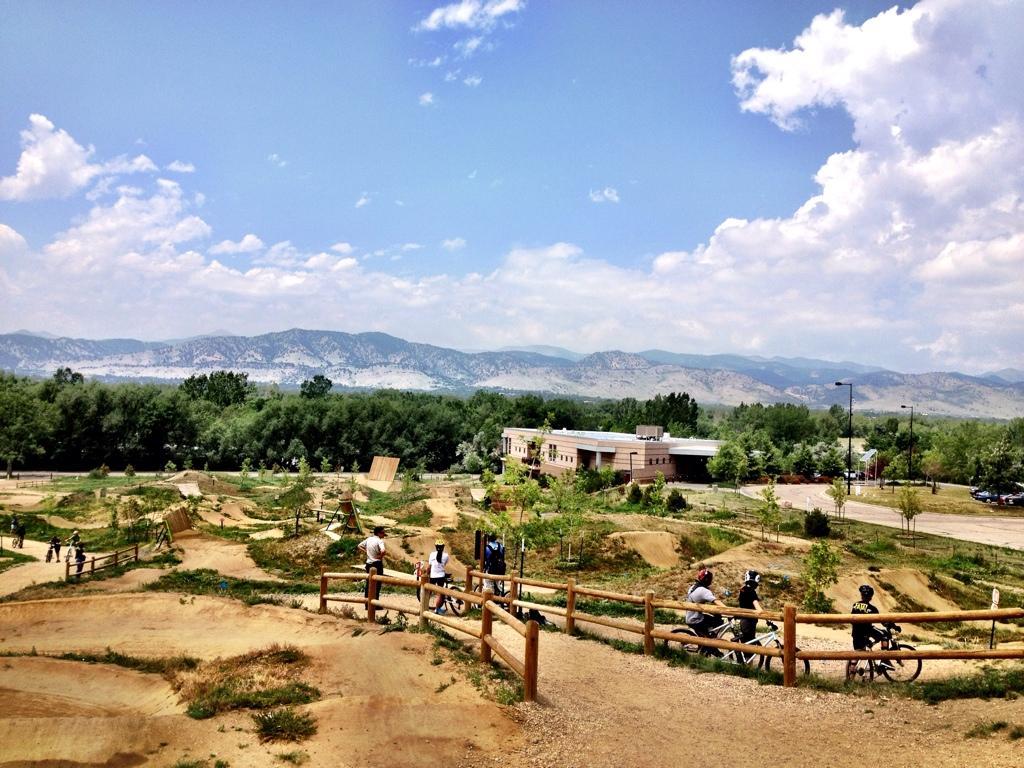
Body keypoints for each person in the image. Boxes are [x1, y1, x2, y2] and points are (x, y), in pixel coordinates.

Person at [849, 584, 891, 675]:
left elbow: (851, 619)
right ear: (871, 597)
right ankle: (885, 658)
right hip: (867, 631)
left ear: (861, 595)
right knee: (884, 635)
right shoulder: (872, 609)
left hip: (856, 633)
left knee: (858, 652)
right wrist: (893, 625)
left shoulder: (855, 605)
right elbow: (882, 621)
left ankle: (850, 678)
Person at [685, 567, 727, 643]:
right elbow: (716, 601)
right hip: (696, 620)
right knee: (710, 638)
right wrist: (727, 609)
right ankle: (712, 646)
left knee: (716, 620)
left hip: (690, 616)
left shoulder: (693, 587)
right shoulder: (704, 591)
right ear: (708, 580)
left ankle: (710, 635)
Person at [357, 525, 387, 602]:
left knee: (369, 583)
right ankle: (375, 602)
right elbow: (383, 551)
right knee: (377, 584)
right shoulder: (379, 541)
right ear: (379, 533)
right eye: (383, 533)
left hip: (369, 563)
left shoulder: (369, 539)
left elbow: (359, 546)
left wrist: (366, 551)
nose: (384, 535)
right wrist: (380, 557)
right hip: (377, 564)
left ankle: (367, 602)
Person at [736, 570, 763, 643]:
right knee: (749, 644)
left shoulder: (743, 589)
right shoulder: (752, 592)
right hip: (749, 622)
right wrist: (765, 615)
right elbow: (757, 606)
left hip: (743, 620)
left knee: (746, 641)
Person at [428, 539, 451, 613]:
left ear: (436, 546)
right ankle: (437, 609)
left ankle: (424, 606)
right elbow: (444, 564)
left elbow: (429, 566)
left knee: (429, 591)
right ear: (443, 547)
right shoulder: (446, 556)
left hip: (432, 576)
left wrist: (426, 573)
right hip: (441, 576)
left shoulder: (432, 554)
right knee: (439, 594)